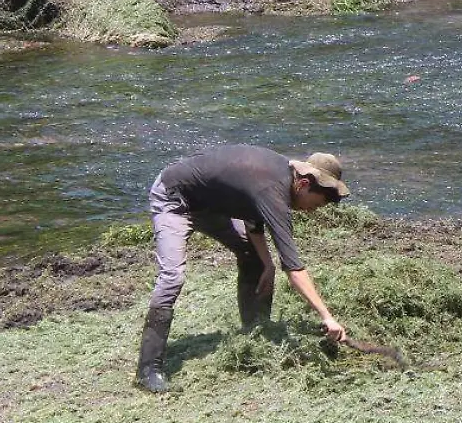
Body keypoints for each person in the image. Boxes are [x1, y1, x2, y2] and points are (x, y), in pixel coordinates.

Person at [136, 146, 352, 393]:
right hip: (175, 198)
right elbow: (294, 268)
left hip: (213, 205)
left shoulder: (277, 179)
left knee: (256, 261)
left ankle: (256, 332)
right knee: (172, 276)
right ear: (303, 184)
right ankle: (147, 370)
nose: (313, 211)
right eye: (316, 204)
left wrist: (267, 265)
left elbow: (252, 219)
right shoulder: (273, 190)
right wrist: (327, 316)